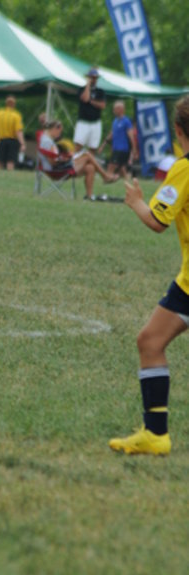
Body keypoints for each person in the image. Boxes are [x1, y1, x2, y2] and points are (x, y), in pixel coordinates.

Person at [109, 95, 189, 456]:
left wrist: (136, 202)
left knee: (150, 342)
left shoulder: (184, 168)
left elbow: (157, 220)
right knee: (150, 341)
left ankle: (156, 434)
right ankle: (155, 434)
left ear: (178, 131)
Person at [39, 120, 118, 200]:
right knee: (87, 155)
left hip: (57, 168)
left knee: (90, 167)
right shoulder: (47, 142)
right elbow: (53, 162)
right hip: (57, 171)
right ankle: (105, 176)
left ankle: (89, 196)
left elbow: (53, 158)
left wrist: (64, 157)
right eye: (59, 132)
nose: (59, 135)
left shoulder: (45, 139)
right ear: (54, 129)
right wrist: (65, 159)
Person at [99, 100, 138, 178]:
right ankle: (127, 180)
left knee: (111, 166)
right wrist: (103, 145)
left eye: (115, 109)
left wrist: (134, 149)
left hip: (122, 149)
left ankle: (107, 179)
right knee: (121, 168)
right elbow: (111, 134)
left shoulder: (126, 121)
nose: (113, 110)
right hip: (116, 148)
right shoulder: (115, 121)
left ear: (121, 109)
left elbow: (131, 136)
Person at [73, 68, 106, 154]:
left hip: (95, 122)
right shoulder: (81, 89)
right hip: (83, 122)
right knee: (78, 145)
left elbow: (102, 105)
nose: (93, 80)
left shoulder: (100, 91)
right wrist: (88, 84)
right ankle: (74, 160)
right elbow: (85, 98)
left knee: (93, 147)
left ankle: (89, 161)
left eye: (95, 78)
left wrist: (91, 102)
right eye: (92, 77)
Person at [0, 95, 25, 170]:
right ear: (14, 104)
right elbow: (18, 131)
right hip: (12, 141)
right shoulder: (16, 115)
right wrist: (22, 143)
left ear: (6, 103)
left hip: (0, 140)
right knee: (11, 161)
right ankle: (10, 175)